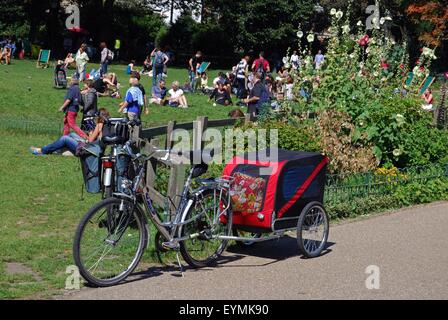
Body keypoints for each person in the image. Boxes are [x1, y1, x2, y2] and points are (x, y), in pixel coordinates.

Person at [30, 109, 110, 156]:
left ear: (100, 117)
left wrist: (90, 134)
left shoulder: (99, 125)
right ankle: (56, 150)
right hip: (96, 148)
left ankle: (42, 151)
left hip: (89, 150)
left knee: (65, 138)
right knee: (72, 134)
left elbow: (90, 141)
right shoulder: (107, 125)